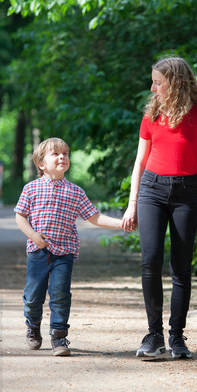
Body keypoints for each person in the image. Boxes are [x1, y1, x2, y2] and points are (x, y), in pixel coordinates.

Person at [122, 56, 197, 359]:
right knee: (150, 262)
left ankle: (177, 337)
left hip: (186, 192)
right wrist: (132, 203)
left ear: (174, 83)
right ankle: (154, 336)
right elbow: (139, 162)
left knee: (181, 267)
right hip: (151, 189)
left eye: (158, 82)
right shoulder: (151, 115)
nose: (153, 87)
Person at [15, 137, 128, 357]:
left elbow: (94, 217)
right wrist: (33, 235)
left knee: (60, 294)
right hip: (38, 251)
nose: (62, 157)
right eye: (56, 154)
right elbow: (20, 217)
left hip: (64, 253)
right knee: (33, 296)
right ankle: (32, 326)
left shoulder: (75, 191)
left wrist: (121, 224)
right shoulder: (31, 188)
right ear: (41, 164)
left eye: (65, 153)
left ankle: (58, 336)